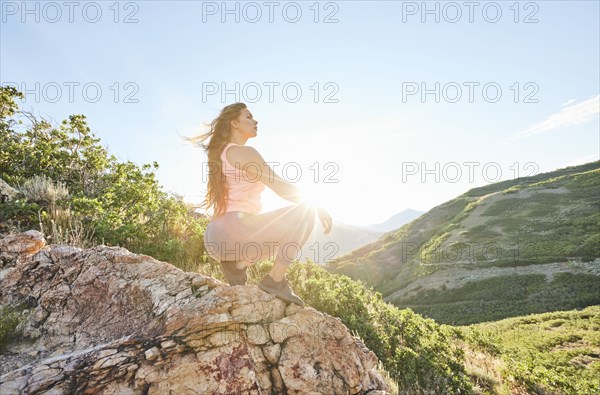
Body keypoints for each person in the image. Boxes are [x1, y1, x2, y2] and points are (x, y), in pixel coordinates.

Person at [187, 103, 332, 307]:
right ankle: (275, 280)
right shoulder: (244, 152)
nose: (255, 121)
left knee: (279, 234)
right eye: (248, 117)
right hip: (237, 230)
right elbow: (278, 185)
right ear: (234, 123)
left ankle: (238, 265)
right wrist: (316, 206)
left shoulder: (222, 155)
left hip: (216, 238)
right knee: (304, 213)